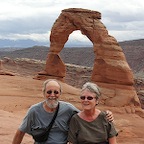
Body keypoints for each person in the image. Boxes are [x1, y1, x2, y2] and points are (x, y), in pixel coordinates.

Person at [12, 79, 114, 144]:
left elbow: (86, 115)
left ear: (60, 94)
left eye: (56, 92)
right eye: (49, 92)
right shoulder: (34, 111)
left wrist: (107, 113)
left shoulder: (68, 109)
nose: (52, 95)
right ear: (43, 93)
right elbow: (20, 132)